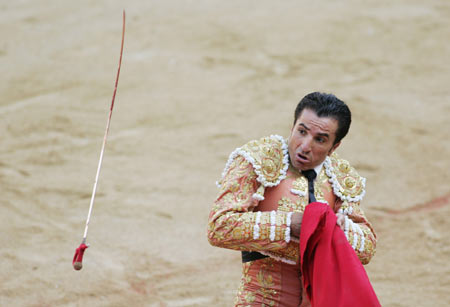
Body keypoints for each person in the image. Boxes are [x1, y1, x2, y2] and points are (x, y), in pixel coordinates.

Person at [207, 92, 377, 306]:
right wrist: (289, 225)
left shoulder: (340, 178)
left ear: (334, 147)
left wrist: (338, 231)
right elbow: (219, 227)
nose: (305, 146)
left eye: (320, 139)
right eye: (302, 131)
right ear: (293, 126)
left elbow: (367, 248)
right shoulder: (257, 160)